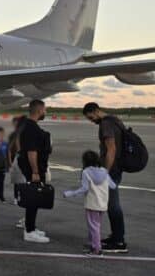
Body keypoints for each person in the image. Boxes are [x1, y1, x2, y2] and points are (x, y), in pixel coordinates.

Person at [82, 102, 129, 253]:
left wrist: (105, 171)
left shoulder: (106, 124)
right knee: (110, 204)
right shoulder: (115, 120)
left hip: (112, 170)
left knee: (113, 205)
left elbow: (111, 149)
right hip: (117, 168)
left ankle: (119, 241)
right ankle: (116, 236)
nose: (91, 120)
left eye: (90, 117)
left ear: (95, 111)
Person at [63, 150, 117, 257]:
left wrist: (71, 193)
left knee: (93, 226)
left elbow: (85, 188)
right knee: (97, 225)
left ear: (85, 161)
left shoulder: (86, 172)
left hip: (92, 203)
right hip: (102, 203)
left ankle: (96, 250)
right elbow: (113, 186)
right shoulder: (104, 171)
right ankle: (93, 245)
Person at [17, 99, 52, 243]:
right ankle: (29, 231)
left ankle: (31, 226)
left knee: (35, 198)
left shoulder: (26, 125)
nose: (45, 112)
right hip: (34, 169)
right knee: (33, 198)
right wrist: (35, 171)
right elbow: (32, 151)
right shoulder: (32, 128)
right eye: (45, 110)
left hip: (29, 167)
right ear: (39, 110)